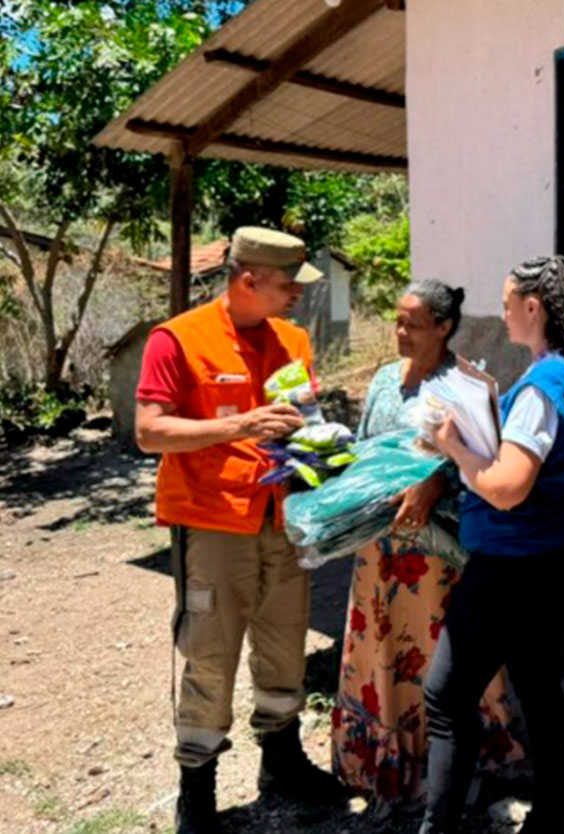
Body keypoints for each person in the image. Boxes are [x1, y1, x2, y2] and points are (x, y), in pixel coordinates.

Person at [135, 227, 345, 834]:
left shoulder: (293, 339)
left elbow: (303, 420)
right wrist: (240, 427)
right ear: (248, 280)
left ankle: (281, 762)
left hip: (282, 519)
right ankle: (196, 789)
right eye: (287, 285)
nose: (298, 296)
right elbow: (150, 432)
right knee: (211, 653)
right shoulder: (178, 339)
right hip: (212, 522)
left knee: (284, 647)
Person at [423, 255, 564, 834]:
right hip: (554, 547)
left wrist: (454, 446)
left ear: (533, 308)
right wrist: (488, 398)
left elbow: (507, 488)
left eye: (508, 304)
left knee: (446, 698)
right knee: (536, 677)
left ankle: (437, 829)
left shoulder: (540, 389)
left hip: (515, 557)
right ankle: (551, 816)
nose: (503, 315)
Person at [331, 280, 524, 815]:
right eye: (396, 320)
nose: (399, 332)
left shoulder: (469, 387)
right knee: (384, 653)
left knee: (441, 659)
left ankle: (462, 769)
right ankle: (384, 769)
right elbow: (365, 450)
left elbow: (492, 470)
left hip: (438, 557)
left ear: (443, 327)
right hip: (379, 546)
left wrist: (438, 480)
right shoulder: (383, 381)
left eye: (412, 325)